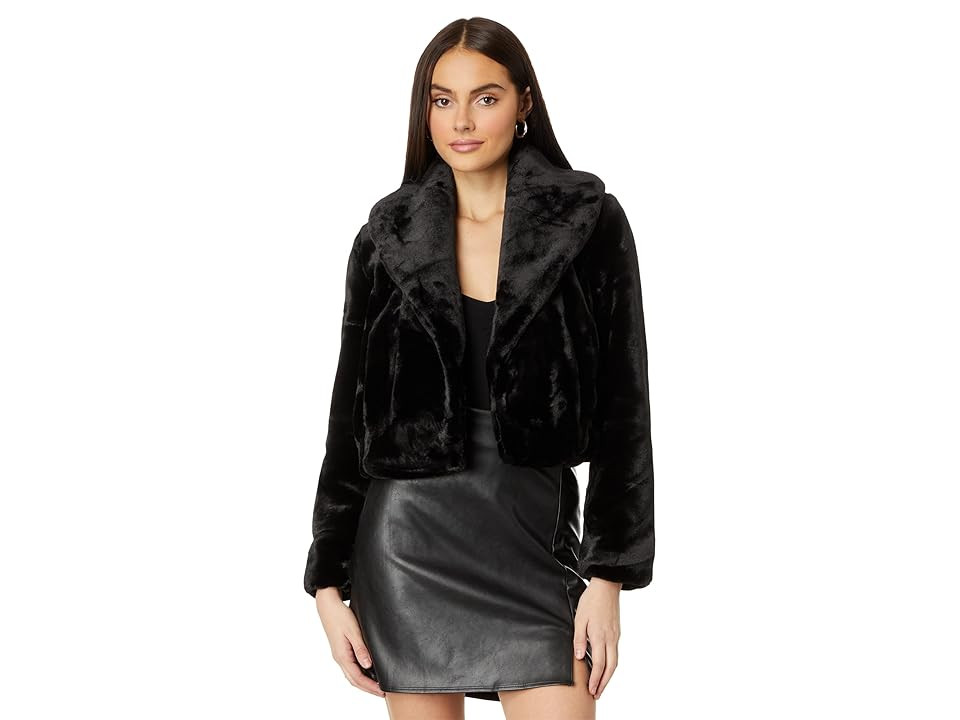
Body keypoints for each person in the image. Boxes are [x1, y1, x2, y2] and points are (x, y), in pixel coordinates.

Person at [304, 17, 655, 720]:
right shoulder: (386, 239)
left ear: (524, 102)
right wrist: (327, 584)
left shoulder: (588, 223)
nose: (461, 121)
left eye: (485, 98)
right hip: (406, 546)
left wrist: (608, 574)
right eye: (442, 100)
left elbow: (627, 410)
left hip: (533, 538)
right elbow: (349, 419)